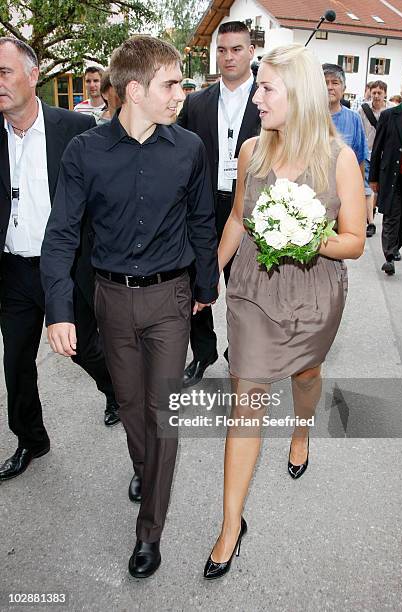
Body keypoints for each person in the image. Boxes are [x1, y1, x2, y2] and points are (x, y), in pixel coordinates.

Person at [40, 35, 219, 578]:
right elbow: (62, 234)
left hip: (170, 298)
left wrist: (206, 287)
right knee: (131, 405)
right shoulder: (85, 153)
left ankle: (149, 533)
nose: (180, 94)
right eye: (171, 83)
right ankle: (146, 466)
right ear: (135, 90)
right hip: (110, 300)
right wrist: (60, 309)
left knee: (163, 414)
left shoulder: (189, 148)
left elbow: (201, 222)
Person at [203, 44, 365, 580]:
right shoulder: (251, 151)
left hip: (314, 295)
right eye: (257, 86)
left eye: (267, 87)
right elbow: (235, 221)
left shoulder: (338, 158)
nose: (256, 96)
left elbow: (355, 241)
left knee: (307, 376)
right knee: (245, 396)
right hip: (253, 291)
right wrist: (208, 278)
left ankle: (301, 429)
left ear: (297, 95)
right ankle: (230, 525)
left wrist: (307, 234)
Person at [0, 38, 118, 483]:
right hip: (13, 270)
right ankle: (32, 439)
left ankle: (114, 392)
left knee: (85, 349)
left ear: (33, 76)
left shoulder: (72, 128)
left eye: (5, 72)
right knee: (15, 363)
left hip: (66, 268)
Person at [178, 20, 260, 387]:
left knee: (244, 287)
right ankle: (204, 351)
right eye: (222, 50)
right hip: (203, 206)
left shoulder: (268, 98)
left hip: (250, 209)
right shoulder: (195, 103)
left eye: (237, 49)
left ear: (251, 52)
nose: (229, 57)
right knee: (197, 280)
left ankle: (237, 352)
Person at [369, 76, 402, 276]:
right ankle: (389, 256)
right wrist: (374, 178)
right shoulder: (389, 115)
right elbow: (377, 149)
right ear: (401, 92)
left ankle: (396, 246)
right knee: (392, 216)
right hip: (392, 176)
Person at [358, 80, 390, 237]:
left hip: (387, 156)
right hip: (368, 154)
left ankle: (375, 210)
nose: (376, 95)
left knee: (381, 189)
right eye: (374, 92)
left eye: (379, 93)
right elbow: (360, 131)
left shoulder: (391, 110)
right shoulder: (363, 110)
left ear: (385, 93)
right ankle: (370, 222)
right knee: (368, 188)